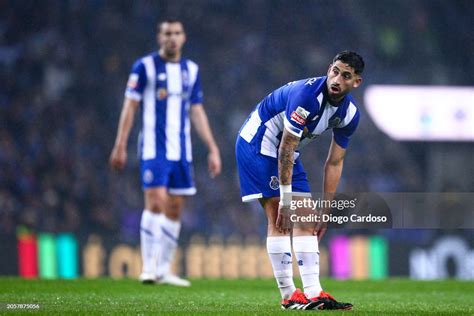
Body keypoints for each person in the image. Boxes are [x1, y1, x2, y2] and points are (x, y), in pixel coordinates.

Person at [235, 51, 364, 310]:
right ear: (329, 69)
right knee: (280, 216)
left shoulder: (349, 114)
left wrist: (326, 211)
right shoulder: (308, 97)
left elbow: (335, 162)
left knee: (306, 216)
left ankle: (314, 293)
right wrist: (285, 200)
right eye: (335, 71)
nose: (337, 79)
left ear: (356, 82)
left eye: (345, 75)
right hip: (259, 141)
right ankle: (288, 295)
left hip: (287, 150)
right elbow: (284, 147)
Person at [110, 19, 221, 286]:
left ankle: (164, 270)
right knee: (156, 201)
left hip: (181, 151)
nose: (172, 37)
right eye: (167, 33)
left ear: (184, 38)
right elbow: (130, 106)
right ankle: (148, 268)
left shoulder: (191, 70)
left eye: (177, 33)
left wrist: (212, 147)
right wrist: (120, 144)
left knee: (174, 208)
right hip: (153, 148)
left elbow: (196, 110)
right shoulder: (144, 67)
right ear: (160, 38)